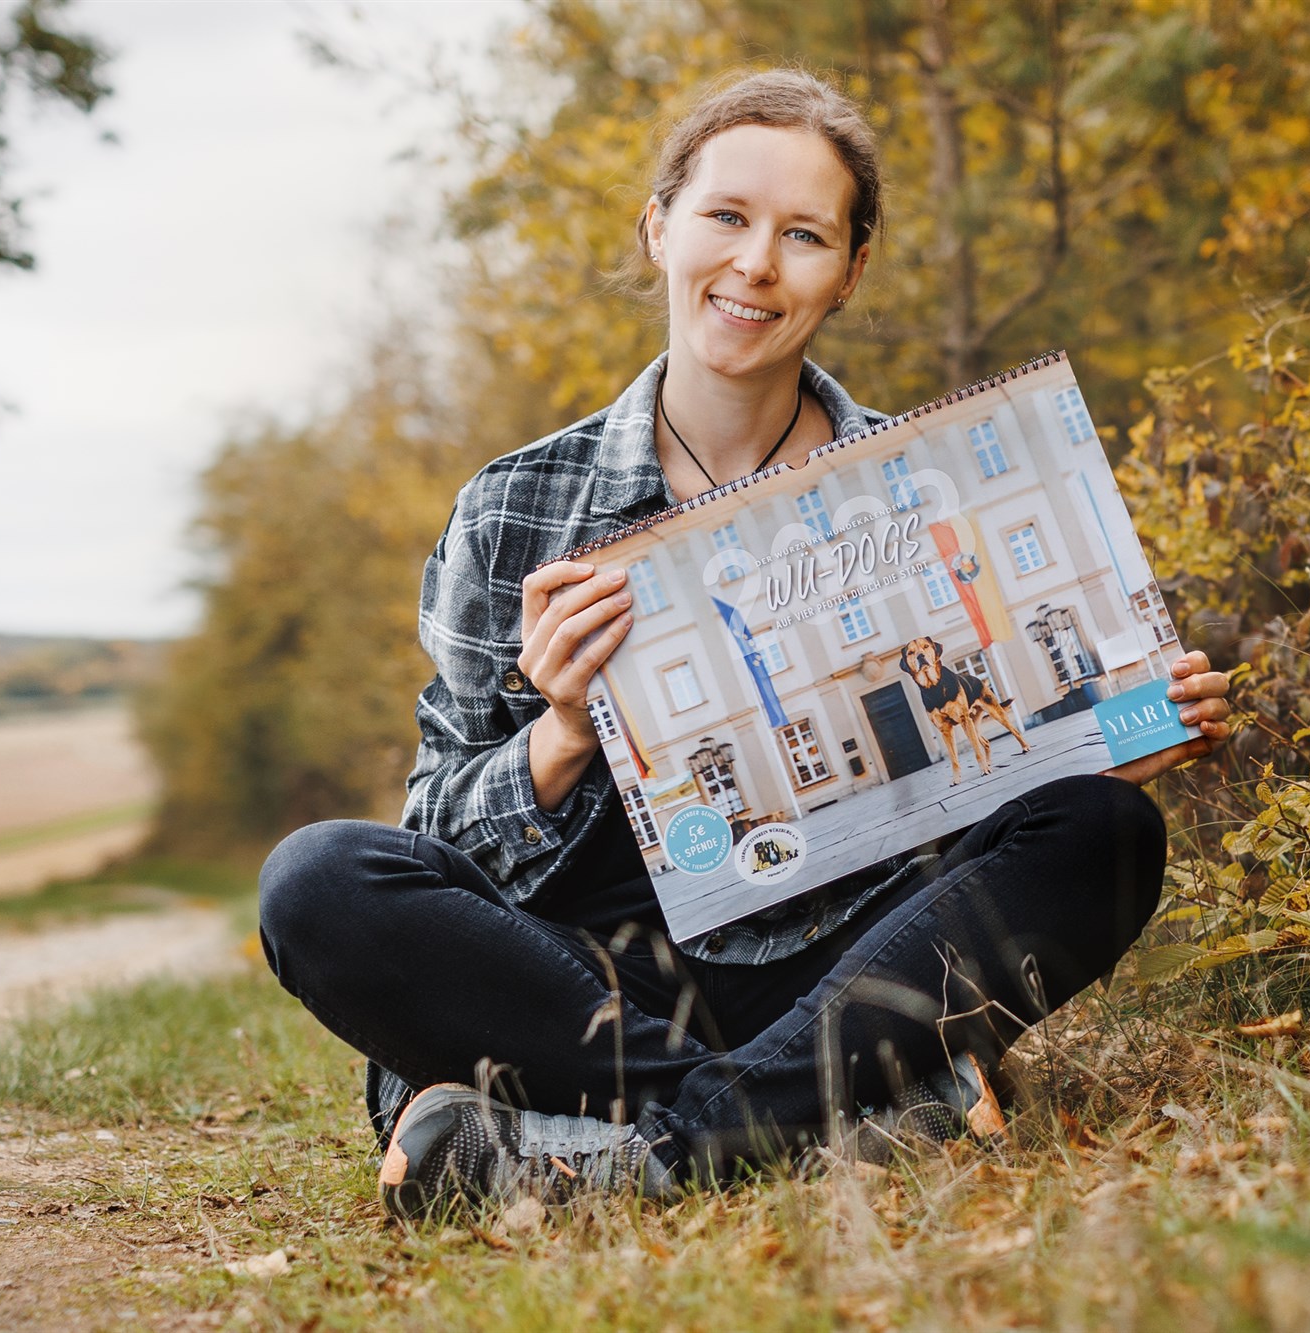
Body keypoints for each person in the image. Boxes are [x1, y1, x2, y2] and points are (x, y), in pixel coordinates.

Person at [256, 69, 1232, 1220]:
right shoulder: (518, 504)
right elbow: (435, 833)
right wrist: (561, 735)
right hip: (586, 988)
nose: (756, 264)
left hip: (840, 973)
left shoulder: (929, 489)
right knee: (316, 879)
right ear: (658, 226)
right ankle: (828, 1119)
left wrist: (1097, 739)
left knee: (1104, 832)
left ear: (849, 269)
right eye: (725, 216)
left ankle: (622, 1152)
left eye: (804, 234)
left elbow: (974, 794)